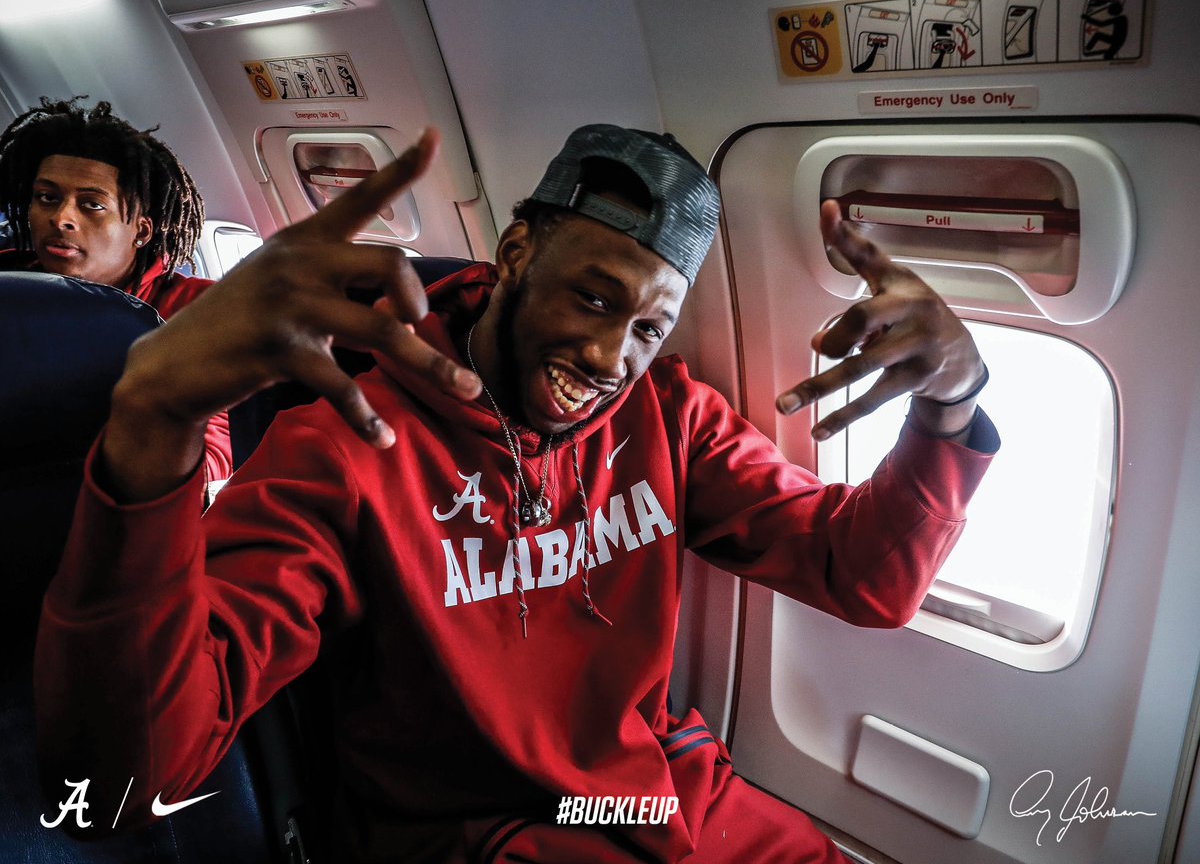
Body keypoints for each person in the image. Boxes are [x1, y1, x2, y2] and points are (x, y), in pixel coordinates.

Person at [35, 125, 998, 863]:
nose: (608, 355)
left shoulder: (666, 415)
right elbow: (125, 776)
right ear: (517, 252)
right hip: (481, 834)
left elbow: (867, 576)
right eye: (592, 298)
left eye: (648, 328)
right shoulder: (344, 448)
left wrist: (950, 406)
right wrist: (151, 425)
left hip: (658, 803)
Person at [0, 96, 231, 482]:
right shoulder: (8, 284)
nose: (61, 218)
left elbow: (212, 457)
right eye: (47, 198)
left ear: (140, 230)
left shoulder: (196, 312)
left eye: (91, 205)